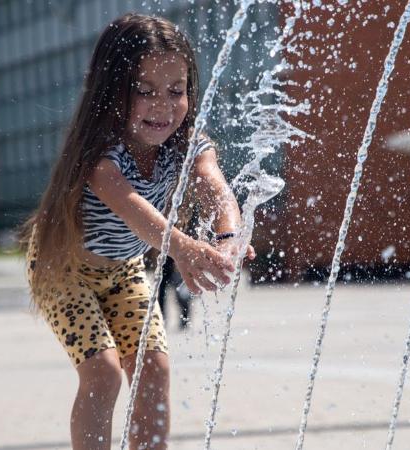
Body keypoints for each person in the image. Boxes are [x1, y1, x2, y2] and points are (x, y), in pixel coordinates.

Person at [20, 14, 254, 450]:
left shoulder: (188, 145)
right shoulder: (101, 155)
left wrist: (227, 238)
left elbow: (216, 187)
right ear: (113, 91)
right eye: (144, 92)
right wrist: (182, 247)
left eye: (175, 91)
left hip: (123, 273)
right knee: (103, 371)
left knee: (154, 368)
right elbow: (133, 208)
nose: (162, 106)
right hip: (64, 269)